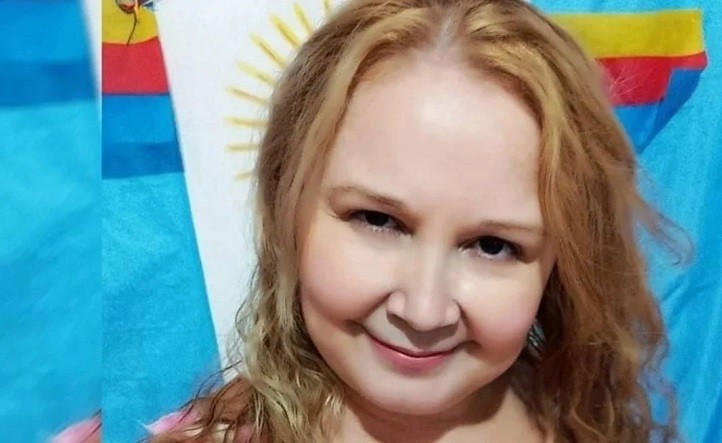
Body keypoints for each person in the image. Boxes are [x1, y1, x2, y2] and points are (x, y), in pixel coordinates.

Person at [148, 0, 685, 441]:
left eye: (493, 246)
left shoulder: (582, 423)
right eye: (378, 220)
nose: (424, 312)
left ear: (560, 266)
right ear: (288, 207)